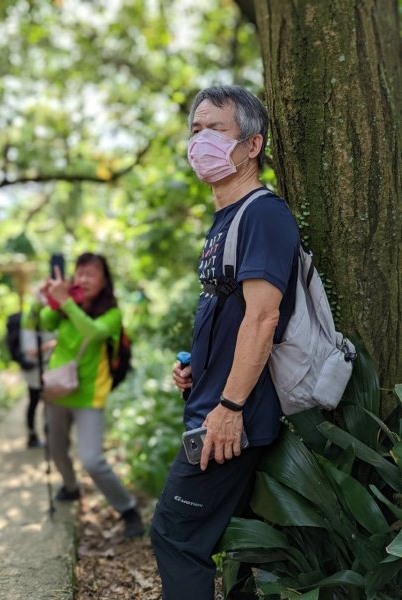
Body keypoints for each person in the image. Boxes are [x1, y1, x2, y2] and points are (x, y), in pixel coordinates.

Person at [150, 86, 300, 599]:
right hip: (213, 405)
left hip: (228, 419)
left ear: (252, 145)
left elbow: (262, 318)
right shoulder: (225, 222)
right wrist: (198, 371)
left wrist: (229, 405)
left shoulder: (262, 213)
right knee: (236, 551)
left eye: (215, 129)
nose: (201, 141)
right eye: (195, 130)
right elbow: (231, 313)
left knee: (175, 536)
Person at [38, 252, 143, 538]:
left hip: (89, 396)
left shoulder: (112, 312)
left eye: (91, 273)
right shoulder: (63, 305)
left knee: (93, 460)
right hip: (57, 390)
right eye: (79, 272)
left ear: (104, 280)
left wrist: (67, 303)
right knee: (56, 449)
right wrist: (47, 297)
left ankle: (128, 509)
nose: (83, 278)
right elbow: (44, 322)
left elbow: (94, 332)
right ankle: (71, 488)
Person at [19, 309, 56, 448]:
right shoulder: (31, 319)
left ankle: (48, 436)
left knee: (47, 404)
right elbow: (31, 351)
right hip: (34, 371)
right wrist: (52, 344)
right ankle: (32, 435)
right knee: (34, 402)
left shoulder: (53, 317)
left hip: (47, 369)